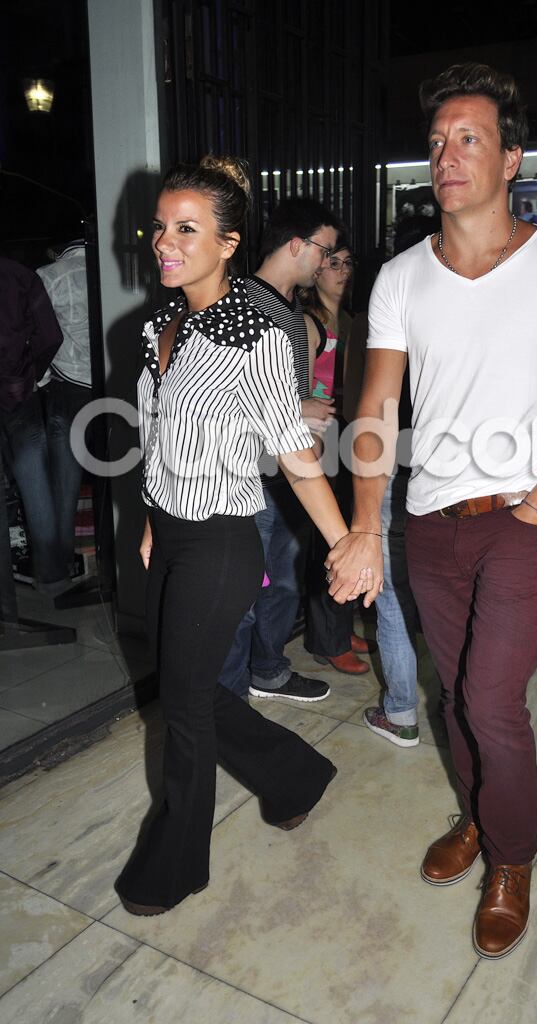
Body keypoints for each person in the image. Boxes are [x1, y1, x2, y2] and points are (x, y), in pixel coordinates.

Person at [326, 61, 537, 959]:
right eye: (436, 142)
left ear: (512, 158)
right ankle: (479, 817)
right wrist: (367, 527)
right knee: (452, 695)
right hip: (429, 523)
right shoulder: (399, 277)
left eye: (469, 139)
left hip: (519, 521)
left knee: (493, 700)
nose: (446, 157)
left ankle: (512, 858)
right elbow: (374, 411)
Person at [115, 155, 375, 917]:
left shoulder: (254, 334)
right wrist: (149, 520)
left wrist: (345, 541)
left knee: (187, 709)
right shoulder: (162, 322)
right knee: (185, 685)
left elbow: (296, 459)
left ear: (228, 243)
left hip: (223, 542)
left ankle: (173, 865)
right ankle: (294, 775)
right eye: (160, 227)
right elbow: (154, 432)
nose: (165, 242)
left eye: (186, 229)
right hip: (170, 533)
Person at [217, 198, 342, 703]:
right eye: (325, 251)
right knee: (243, 597)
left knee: (283, 584)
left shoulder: (289, 311)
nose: (328, 263)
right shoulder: (241, 304)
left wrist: (301, 415)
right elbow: (221, 399)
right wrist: (299, 410)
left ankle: (267, 670)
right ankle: (228, 706)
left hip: (283, 473)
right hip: (244, 479)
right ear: (298, 244)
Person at [343, 313, 421, 746]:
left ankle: (402, 713)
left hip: (388, 474)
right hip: (449, 476)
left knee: (392, 601)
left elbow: (365, 410)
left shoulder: (379, 324)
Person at [301, 239, 371, 674]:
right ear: (316, 272)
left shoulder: (350, 320)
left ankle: (339, 627)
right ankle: (326, 638)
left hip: (348, 433)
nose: (342, 271)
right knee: (326, 541)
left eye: (348, 263)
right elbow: (297, 390)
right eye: (333, 264)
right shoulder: (308, 322)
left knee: (347, 532)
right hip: (319, 437)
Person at [0, 256, 71, 594]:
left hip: (16, 386)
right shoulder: (19, 275)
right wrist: (30, 374)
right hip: (16, 390)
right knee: (35, 481)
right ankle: (53, 577)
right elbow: (50, 335)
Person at [36, 240, 92, 578]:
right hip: (110, 384)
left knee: (64, 482)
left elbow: (41, 335)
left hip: (67, 386)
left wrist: (40, 380)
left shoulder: (48, 275)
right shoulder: (114, 271)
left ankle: (60, 566)